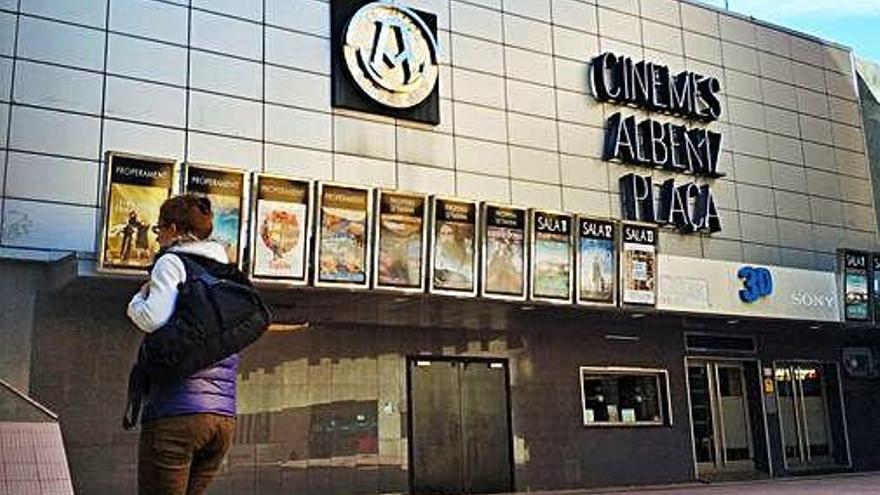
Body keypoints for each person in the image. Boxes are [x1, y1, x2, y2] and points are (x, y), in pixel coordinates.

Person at [126, 194, 241, 495]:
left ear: (174, 229)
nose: (158, 236)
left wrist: (138, 298)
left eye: (159, 228)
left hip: (177, 414)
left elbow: (152, 317)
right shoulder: (227, 272)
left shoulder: (173, 262)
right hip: (223, 419)